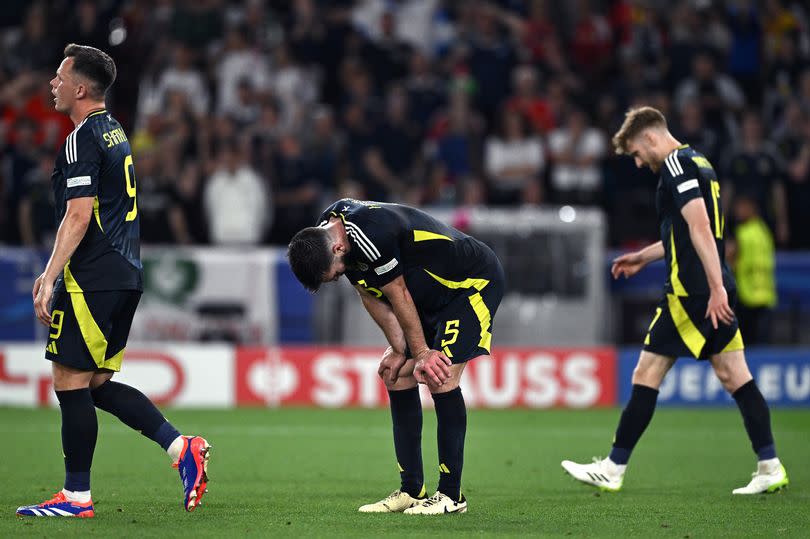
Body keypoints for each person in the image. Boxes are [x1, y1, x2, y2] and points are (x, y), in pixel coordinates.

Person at [16, 44, 210, 519]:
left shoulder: (82, 138)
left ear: (81, 88)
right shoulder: (115, 129)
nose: (52, 84)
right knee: (96, 383)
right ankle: (180, 448)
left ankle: (76, 497)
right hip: (123, 273)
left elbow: (79, 215)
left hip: (95, 276)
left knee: (68, 378)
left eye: (60, 78)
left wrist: (49, 275)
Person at [560, 106, 788, 495]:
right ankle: (770, 465)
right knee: (736, 375)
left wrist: (714, 288)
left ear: (650, 137)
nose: (636, 161)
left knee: (646, 373)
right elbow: (687, 233)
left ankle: (614, 467)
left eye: (635, 151)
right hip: (712, 286)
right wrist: (643, 257)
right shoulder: (700, 161)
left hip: (692, 293)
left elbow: (700, 227)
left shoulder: (675, 166)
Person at [287, 198, 505, 514]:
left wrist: (421, 354)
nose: (336, 278)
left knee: (438, 375)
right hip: (431, 295)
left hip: (469, 285)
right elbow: (368, 292)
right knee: (396, 374)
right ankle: (412, 490)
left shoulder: (369, 233)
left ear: (336, 250)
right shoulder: (333, 231)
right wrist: (400, 350)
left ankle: (451, 496)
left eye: (332, 274)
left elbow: (397, 292)